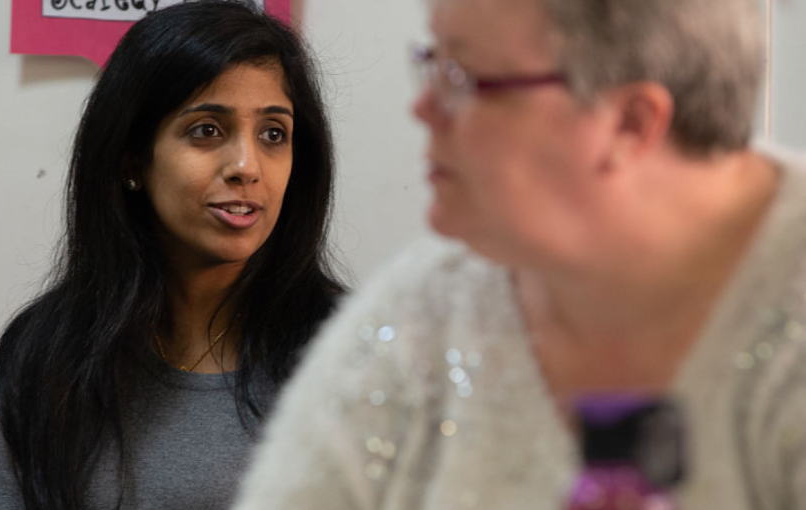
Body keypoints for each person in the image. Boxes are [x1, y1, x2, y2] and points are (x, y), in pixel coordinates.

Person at [230, 0, 806, 509]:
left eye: (464, 76)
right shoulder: (422, 314)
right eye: (431, 63)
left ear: (630, 124)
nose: (423, 108)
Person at [0, 2, 344, 509]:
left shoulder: (354, 358)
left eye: (273, 134)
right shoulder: (46, 354)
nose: (246, 166)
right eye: (207, 130)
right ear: (133, 161)